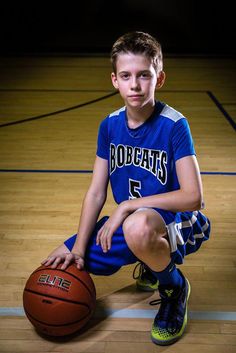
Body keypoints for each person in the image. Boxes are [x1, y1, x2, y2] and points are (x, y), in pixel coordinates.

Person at [42, 31, 210, 345]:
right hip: (132, 221)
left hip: (177, 222)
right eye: (126, 75)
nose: (134, 84)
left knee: (137, 227)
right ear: (114, 80)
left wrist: (127, 206)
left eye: (144, 75)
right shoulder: (109, 125)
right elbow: (95, 192)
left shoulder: (174, 125)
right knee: (55, 269)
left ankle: (174, 287)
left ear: (159, 79)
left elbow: (193, 197)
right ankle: (148, 259)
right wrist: (78, 247)